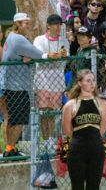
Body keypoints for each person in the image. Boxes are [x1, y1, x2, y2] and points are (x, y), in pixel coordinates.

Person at [1, 13, 62, 157]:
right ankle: (10, 149)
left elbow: (30, 55)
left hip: (11, 84)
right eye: (26, 23)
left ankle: (10, 149)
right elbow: (37, 53)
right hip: (17, 86)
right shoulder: (18, 38)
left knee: (12, 118)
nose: (29, 26)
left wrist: (28, 58)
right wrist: (44, 56)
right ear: (18, 24)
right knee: (19, 119)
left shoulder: (10, 37)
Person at [62, 69, 106, 190]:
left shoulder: (102, 103)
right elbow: (67, 130)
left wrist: (92, 141)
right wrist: (80, 141)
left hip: (96, 149)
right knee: (77, 186)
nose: (92, 83)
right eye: (88, 81)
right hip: (77, 150)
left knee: (94, 186)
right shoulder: (70, 105)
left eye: (93, 80)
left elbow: (102, 129)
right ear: (80, 83)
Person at [33, 14, 68, 152]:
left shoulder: (64, 40)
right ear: (48, 25)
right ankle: (45, 139)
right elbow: (37, 55)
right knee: (43, 112)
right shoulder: (39, 39)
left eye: (60, 24)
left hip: (57, 80)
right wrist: (48, 56)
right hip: (42, 80)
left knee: (52, 113)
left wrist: (63, 56)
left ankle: (50, 140)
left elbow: (64, 61)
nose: (58, 27)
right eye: (55, 24)